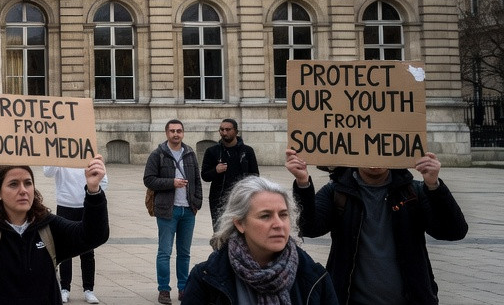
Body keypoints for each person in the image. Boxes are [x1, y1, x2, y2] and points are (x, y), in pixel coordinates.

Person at [285, 149, 467, 305]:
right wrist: (303, 184)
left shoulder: (413, 192)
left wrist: (434, 186)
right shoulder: (337, 192)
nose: (374, 157)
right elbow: (309, 228)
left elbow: (453, 231)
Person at [0, 149, 109, 305]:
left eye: (28, 183)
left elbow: (93, 235)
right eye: (13, 184)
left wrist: (93, 190)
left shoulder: (48, 227)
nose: (23, 190)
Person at [182, 176, 336, 305]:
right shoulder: (205, 279)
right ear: (240, 223)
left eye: (283, 215)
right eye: (265, 216)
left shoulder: (315, 277)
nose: (278, 224)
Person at [144, 119, 203, 304]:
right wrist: (172, 182)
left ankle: (183, 288)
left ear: (183, 133)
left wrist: (197, 202)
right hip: (167, 210)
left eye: (179, 131)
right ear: (166, 133)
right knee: (165, 252)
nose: (175, 134)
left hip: (188, 211)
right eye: (172, 131)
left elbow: (197, 180)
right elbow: (149, 180)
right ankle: (164, 290)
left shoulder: (190, 153)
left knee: (184, 253)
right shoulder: (158, 154)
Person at [43, 163, 108, 304]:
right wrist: (56, 156)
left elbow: (103, 179)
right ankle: (65, 288)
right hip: (65, 203)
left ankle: (89, 289)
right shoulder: (60, 152)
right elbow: (47, 172)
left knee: (88, 251)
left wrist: (94, 195)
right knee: (65, 249)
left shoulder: (87, 151)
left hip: (85, 203)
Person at [200, 119, 260, 227]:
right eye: (222, 130)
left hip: (242, 199)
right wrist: (216, 170)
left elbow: (255, 176)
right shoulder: (212, 151)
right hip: (219, 200)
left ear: (236, 131)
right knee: (220, 233)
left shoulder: (247, 151)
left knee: (241, 232)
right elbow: (205, 175)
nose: (224, 133)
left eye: (228, 129)